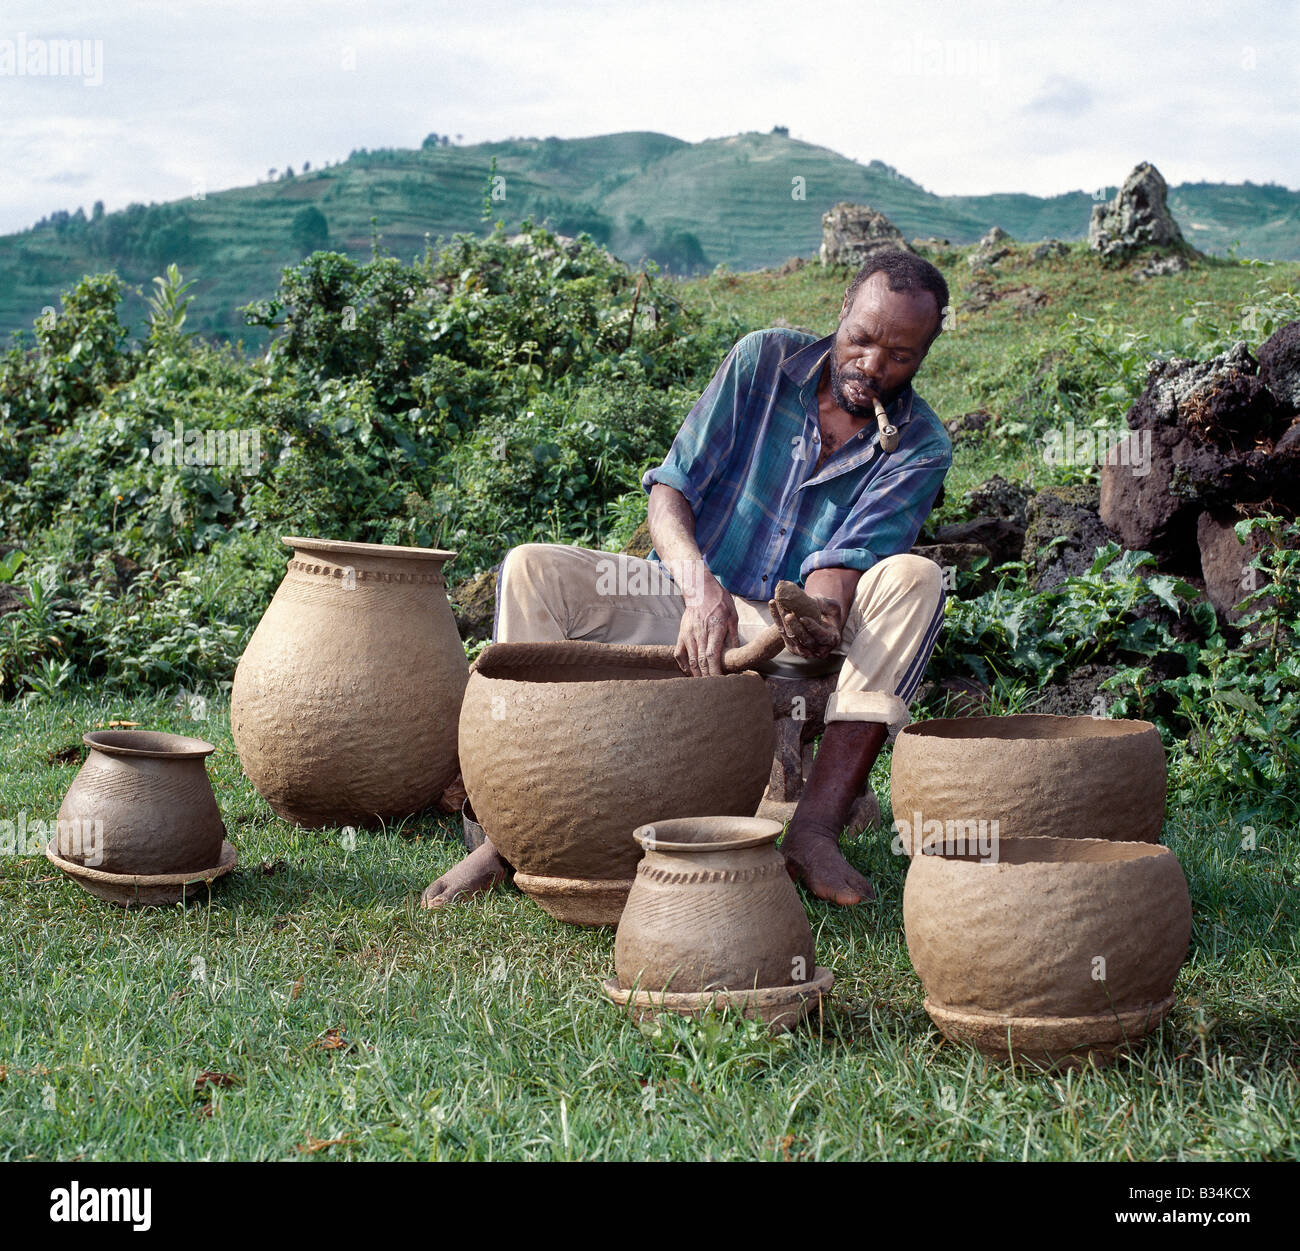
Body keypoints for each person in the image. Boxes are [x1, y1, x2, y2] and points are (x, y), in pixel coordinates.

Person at [423, 249, 952, 909]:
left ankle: (814, 830)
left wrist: (818, 615)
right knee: (533, 568)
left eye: (900, 355)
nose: (873, 365)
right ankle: (511, 831)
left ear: (924, 355)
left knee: (916, 578)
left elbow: (844, 562)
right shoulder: (763, 362)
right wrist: (701, 591)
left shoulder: (919, 442)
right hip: (687, 594)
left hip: (796, 624)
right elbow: (670, 492)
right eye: (863, 339)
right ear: (840, 313)